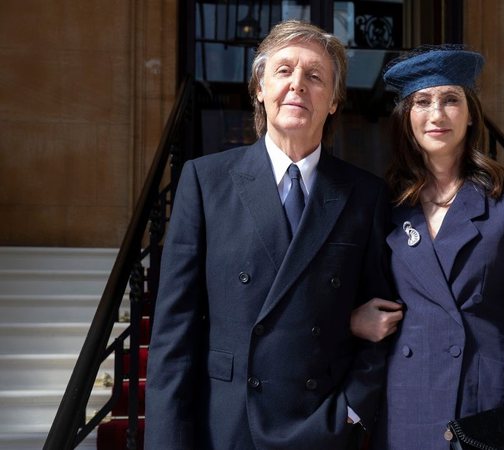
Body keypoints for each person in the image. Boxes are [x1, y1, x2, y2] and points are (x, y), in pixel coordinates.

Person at [144, 20, 394, 450]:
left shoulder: (365, 195)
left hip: (324, 426)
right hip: (227, 425)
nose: (297, 85)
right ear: (259, 88)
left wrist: (353, 410)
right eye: (283, 71)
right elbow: (173, 336)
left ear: (333, 101)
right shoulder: (206, 181)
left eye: (315, 76)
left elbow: (385, 318)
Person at [351, 46, 504, 450]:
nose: (436, 114)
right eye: (423, 102)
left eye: (450, 100)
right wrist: (352, 320)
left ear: (471, 115)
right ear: (407, 119)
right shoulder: (384, 205)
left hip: (482, 401)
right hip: (404, 403)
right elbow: (345, 290)